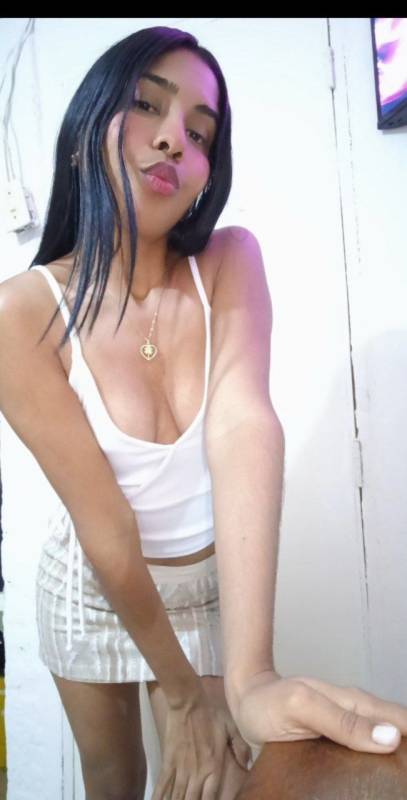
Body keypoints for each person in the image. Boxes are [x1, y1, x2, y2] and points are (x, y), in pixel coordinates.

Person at [0, 24, 406, 800]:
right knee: (115, 780)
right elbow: (105, 524)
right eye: (145, 104)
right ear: (85, 132)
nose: (171, 140)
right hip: (92, 584)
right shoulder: (21, 313)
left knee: (206, 780)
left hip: (202, 591)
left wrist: (249, 677)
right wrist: (183, 694)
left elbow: (243, 426)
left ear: (204, 177)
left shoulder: (229, 261)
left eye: (199, 133)